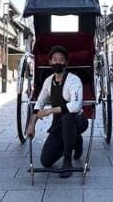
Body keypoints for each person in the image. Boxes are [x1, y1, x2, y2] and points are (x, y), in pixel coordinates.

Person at [26, 46, 88, 178]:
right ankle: (76, 140)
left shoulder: (73, 80)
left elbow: (76, 106)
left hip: (78, 121)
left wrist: (50, 111)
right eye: (54, 60)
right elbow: (39, 103)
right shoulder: (48, 81)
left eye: (61, 60)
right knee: (46, 161)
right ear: (50, 62)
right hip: (58, 126)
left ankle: (67, 161)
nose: (57, 63)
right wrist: (32, 125)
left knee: (67, 117)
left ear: (66, 63)